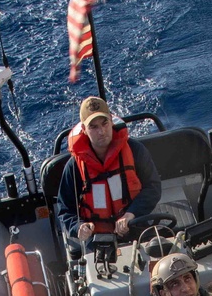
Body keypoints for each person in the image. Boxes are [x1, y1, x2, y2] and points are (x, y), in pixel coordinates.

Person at [56, 97, 162, 244]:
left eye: (105, 123)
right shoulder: (74, 166)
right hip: (96, 240)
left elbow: (153, 187)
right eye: (93, 127)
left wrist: (131, 214)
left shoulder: (135, 150)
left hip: (136, 226)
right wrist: (78, 226)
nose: (102, 131)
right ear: (84, 130)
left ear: (111, 121)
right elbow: (65, 209)